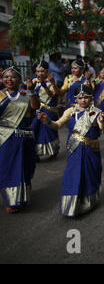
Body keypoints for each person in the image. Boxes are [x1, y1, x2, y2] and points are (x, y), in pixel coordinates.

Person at [38, 84, 104, 217]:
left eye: (86, 97)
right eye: (80, 98)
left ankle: (90, 201)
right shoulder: (70, 112)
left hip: (91, 150)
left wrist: (102, 121)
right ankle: (72, 206)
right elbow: (57, 125)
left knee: (91, 175)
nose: (83, 100)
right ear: (76, 98)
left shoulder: (97, 112)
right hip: (75, 149)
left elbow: (103, 128)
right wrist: (47, 121)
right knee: (73, 176)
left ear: (91, 98)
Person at [0, 66, 40, 212]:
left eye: (13, 77)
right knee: (8, 168)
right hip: (5, 139)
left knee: (25, 168)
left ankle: (22, 196)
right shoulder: (0, 95)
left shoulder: (25, 93)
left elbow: (35, 106)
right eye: (6, 77)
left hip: (25, 138)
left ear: (19, 79)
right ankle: (10, 201)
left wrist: (31, 91)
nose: (9, 80)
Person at [31, 61, 60, 161]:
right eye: (38, 71)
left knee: (48, 131)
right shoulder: (34, 81)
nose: (40, 73)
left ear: (47, 71)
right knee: (35, 130)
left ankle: (53, 151)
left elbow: (52, 95)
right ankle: (36, 153)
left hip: (49, 109)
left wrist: (44, 86)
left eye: (42, 71)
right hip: (37, 109)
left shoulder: (51, 81)